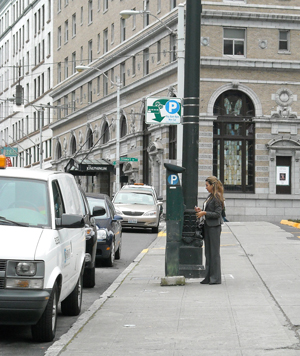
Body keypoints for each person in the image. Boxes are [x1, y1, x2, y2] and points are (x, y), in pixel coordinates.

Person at [195, 176, 224, 285]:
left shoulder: (217, 197)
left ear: (213, 185)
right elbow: (209, 210)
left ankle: (215, 278)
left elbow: (217, 214)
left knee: (214, 253)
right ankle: (208, 277)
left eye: (207, 185)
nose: (206, 187)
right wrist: (201, 210)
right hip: (207, 226)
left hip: (214, 227)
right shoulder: (210, 197)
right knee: (208, 252)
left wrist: (205, 213)